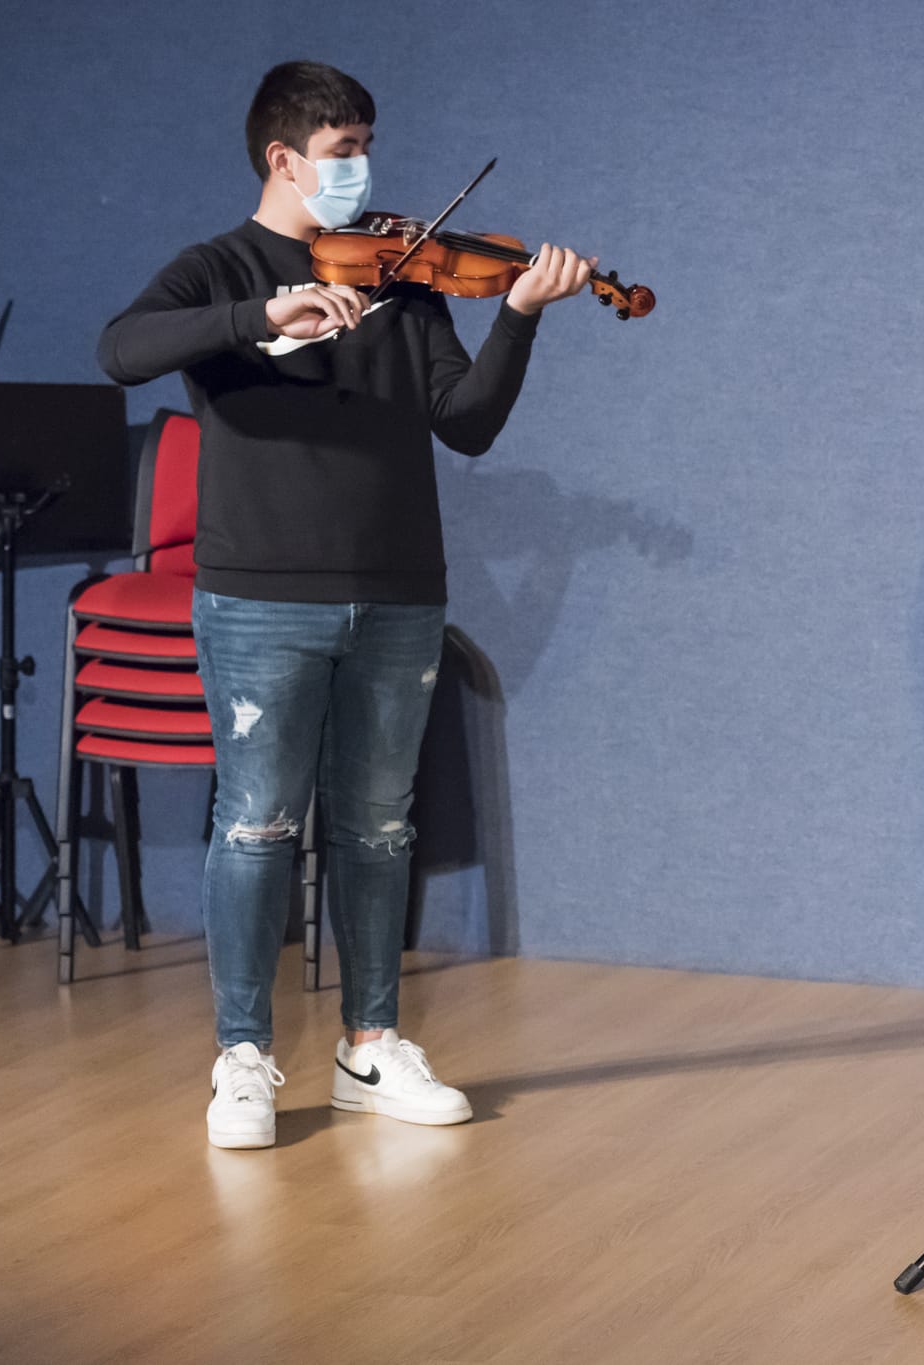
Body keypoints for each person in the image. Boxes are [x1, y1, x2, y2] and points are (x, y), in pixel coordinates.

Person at [98, 60, 596, 1149]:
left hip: (399, 590)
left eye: (366, 146)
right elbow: (122, 350)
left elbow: (466, 423)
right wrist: (259, 314)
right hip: (261, 596)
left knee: (377, 830)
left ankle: (371, 1047)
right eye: (342, 151)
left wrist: (518, 315)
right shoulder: (219, 268)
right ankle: (241, 1058)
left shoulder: (405, 276)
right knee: (255, 824)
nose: (362, 170)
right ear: (284, 158)